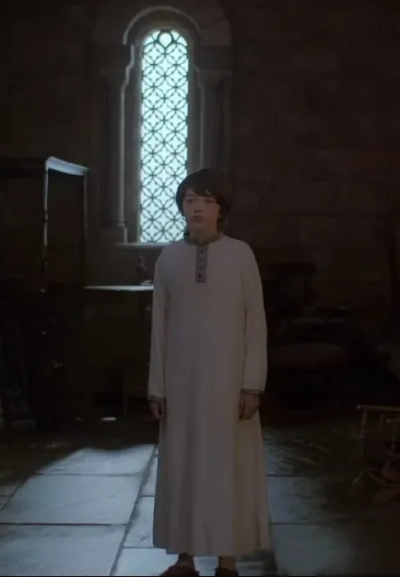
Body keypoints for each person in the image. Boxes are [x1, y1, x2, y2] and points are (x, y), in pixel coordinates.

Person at [147, 168, 271, 577]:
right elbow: (159, 326)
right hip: (181, 383)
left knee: (227, 466)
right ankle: (184, 556)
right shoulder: (169, 258)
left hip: (228, 382)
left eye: (207, 200)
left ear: (222, 210)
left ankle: (227, 557)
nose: (197, 207)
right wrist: (158, 387)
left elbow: (255, 322)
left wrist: (251, 384)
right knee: (183, 464)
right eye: (189, 200)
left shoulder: (241, 255)